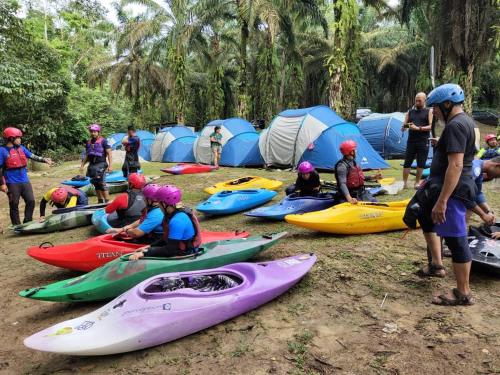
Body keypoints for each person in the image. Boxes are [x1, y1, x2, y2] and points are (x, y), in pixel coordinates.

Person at [408, 83, 495, 306]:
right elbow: (462, 153)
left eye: (435, 108)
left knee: (456, 240)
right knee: (424, 216)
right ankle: (436, 265)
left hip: (453, 190)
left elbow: (456, 165)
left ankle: (463, 293)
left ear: (447, 104)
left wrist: (443, 201)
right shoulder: (462, 122)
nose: (433, 112)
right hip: (439, 185)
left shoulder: (456, 125)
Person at [130, 185, 201, 260]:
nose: (158, 206)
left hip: (185, 254)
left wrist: (145, 253)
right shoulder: (172, 214)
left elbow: (170, 251)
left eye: (159, 203)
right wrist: (150, 246)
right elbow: (166, 238)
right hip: (177, 248)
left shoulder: (177, 220)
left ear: (164, 204)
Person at [0, 127, 54, 225]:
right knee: (14, 204)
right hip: (11, 182)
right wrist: (2, 184)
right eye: (18, 138)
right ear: (11, 138)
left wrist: (44, 159)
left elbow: (32, 156)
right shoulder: (2, 151)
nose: (20, 139)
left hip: (24, 180)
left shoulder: (21, 148)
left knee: (31, 201)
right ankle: (17, 226)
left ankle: (27, 221)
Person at [402, 93, 433, 189]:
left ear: (424, 100)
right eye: (416, 100)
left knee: (421, 163)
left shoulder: (429, 111)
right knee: (407, 162)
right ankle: (404, 183)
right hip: (411, 141)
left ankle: (417, 183)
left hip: (423, 141)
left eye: (419, 100)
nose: (417, 102)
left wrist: (418, 128)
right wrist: (406, 126)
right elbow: (404, 126)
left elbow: (431, 126)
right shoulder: (409, 112)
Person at [80, 124, 112, 204]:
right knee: (95, 184)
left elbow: (109, 153)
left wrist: (110, 165)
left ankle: (107, 202)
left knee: (102, 183)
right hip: (92, 166)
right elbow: (87, 155)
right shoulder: (88, 142)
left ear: (98, 132)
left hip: (101, 164)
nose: (93, 133)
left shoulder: (103, 141)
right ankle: (100, 201)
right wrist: (82, 165)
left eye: (94, 132)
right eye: (91, 132)